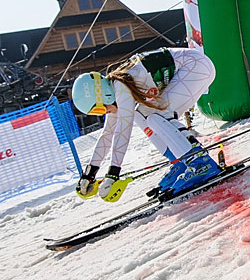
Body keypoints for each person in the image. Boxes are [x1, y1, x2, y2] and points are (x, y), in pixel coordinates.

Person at [70, 47, 219, 202]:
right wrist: (89, 174)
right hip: (193, 66)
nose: (103, 113)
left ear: (103, 95)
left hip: (196, 67)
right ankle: (180, 161)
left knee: (158, 115)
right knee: (142, 114)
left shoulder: (121, 88)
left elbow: (123, 131)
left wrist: (113, 173)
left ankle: (200, 162)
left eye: (99, 109)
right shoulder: (118, 86)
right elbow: (107, 134)